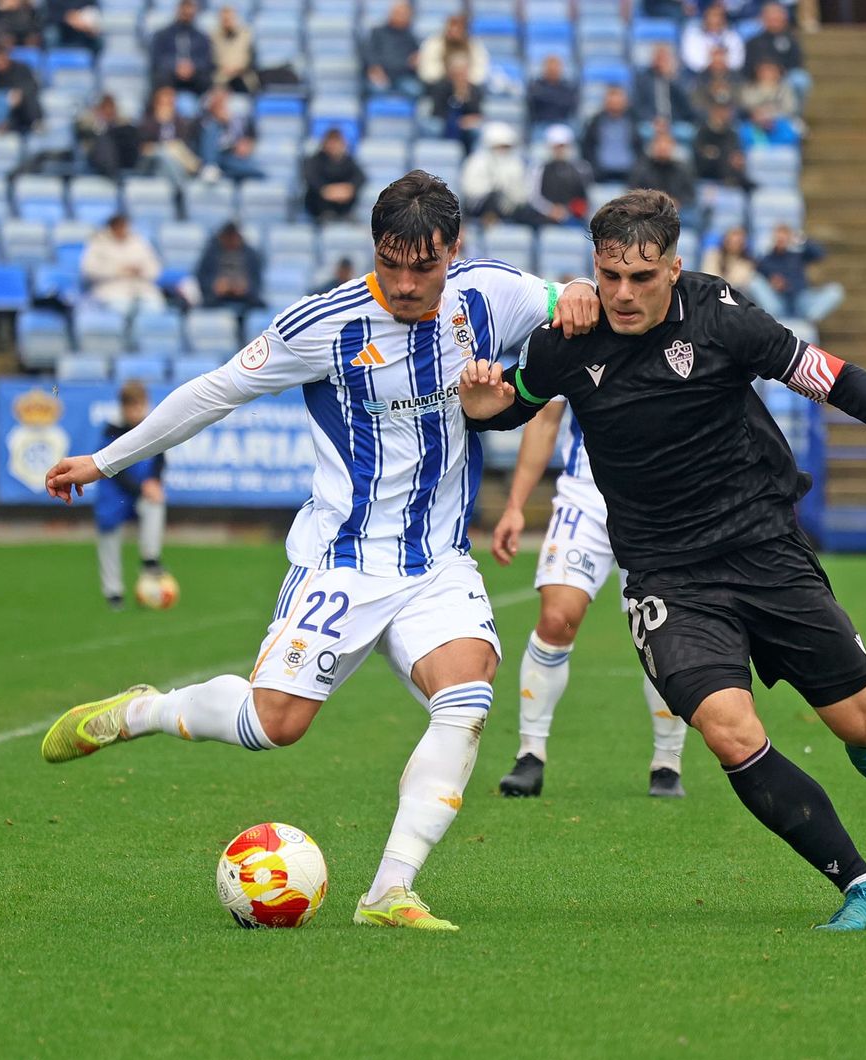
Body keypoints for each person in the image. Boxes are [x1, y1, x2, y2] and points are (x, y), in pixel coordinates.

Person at [37, 171, 601, 933]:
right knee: (274, 724)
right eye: (390, 264)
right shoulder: (324, 323)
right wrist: (106, 461)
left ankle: (390, 890)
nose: (406, 284)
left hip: (437, 560)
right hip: (343, 558)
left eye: (424, 267)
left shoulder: (487, 294)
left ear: (454, 250)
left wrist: (577, 289)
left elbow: (567, 296)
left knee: (467, 697)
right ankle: (143, 710)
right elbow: (214, 390)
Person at [461, 189, 866, 932]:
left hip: (762, 546)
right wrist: (482, 405)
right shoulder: (567, 338)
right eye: (609, 276)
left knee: (861, 725)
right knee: (730, 730)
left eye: (642, 277)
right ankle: (863, 886)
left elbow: (822, 372)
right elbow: (514, 404)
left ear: (674, 268)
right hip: (665, 573)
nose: (622, 294)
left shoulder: (722, 316)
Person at [490, 399, 689, 799]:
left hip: (663, 505)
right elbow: (545, 419)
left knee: (664, 631)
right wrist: (514, 506)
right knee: (557, 619)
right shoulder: (570, 352)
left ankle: (667, 762)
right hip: (585, 499)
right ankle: (530, 754)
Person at [94, 380, 166, 610]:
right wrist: (142, 488)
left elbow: (160, 457)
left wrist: (154, 482)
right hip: (115, 491)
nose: (137, 411)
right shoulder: (111, 431)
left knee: (155, 503)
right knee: (109, 536)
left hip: (141, 487)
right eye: (132, 406)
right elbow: (113, 470)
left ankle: (150, 559)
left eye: (140, 405)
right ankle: (113, 593)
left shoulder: (152, 425)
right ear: (123, 408)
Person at [758, 224, 843, 322]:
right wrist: (772, 284)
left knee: (835, 290)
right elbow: (761, 283)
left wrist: (802, 240)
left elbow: (820, 254)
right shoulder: (766, 260)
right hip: (778, 301)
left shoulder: (797, 256)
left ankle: (809, 318)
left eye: (784, 237)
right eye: (779, 237)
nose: (781, 240)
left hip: (801, 299)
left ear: (789, 238)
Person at [81, 213, 163, 314]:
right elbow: (89, 269)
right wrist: (119, 270)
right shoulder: (98, 243)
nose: (123, 230)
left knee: (154, 306)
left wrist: (141, 270)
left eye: (125, 227)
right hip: (110, 288)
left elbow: (155, 268)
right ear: (112, 228)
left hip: (141, 287)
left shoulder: (139, 242)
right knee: (121, 307)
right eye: (119, 227)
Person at [460, 121, 539, 225]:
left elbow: (522, 193)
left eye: (506, 147)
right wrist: (493, 188)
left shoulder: (516, 164)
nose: (503, 150)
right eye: (500, 146)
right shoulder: (476, 161)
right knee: (493, 197)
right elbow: (469, 188)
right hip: (480, 204)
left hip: (509, 206)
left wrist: (508, 194)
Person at [628, 129, 699, 226]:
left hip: (678, 212)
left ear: (673, 146)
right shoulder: (641, 168)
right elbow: (632, 192)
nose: (662, 147)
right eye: (659, 143)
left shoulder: (683, 169)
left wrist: (678, 202)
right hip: (647, 212)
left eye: (666, 143)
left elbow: (690, 195)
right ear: (652, 146)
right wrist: (652, 202)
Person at [744, 2, 810, 104]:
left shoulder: (792, 40)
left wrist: (777, 73)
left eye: (777, 18)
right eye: (771, 18)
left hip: (783, 79)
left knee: (800, 79)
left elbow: (797, 64)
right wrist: (763, 73)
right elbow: (748, 67)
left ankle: (793, 112)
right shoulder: (753, 42)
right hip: (758, 81)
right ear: (763, 20)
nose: (774, 21)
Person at [701, 226, 781, 310]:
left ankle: (773, 311)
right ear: (725, 240)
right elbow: (709, 277)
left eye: (739, 242)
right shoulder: (713, 255)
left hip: (736, 296)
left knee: (755, 282)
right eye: (732, 241)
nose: (735, 244)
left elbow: (741, 281)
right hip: (715, 296)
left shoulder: (747, 262)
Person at [526, 124, 591, 226]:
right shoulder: (538, 169)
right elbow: (534, 197)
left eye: (563, 146)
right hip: (544, 218)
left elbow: (585, 196)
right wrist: (550, 210)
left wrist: (569, 211)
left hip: (574, 218)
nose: (560, 150)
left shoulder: (582, 168)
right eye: (556, 147)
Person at [301, 126, 365, 221]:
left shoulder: (348, 161)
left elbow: (360, 177)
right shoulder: (315, 160)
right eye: (331, 142)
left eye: (337, 143)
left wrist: (348, 189)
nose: (334, 146)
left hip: (343, 203)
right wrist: (325, 190)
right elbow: (310, 177)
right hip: (319, 206)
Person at [150, 0, 214, 95]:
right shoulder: (162, 35)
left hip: (194, 76)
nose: (187, 14)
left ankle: (203, 104)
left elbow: (206, 60)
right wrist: (176, 66)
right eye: (184, 11)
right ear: (178, 10)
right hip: (171, 75)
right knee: (161, 78)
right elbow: (158, 59)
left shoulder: (202, 37)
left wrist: (192, 66)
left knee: (207, 80)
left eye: (190, 12)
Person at [195, 221, 263, 312]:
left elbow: (257, 281)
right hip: (216, 298)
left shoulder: (250, 254)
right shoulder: (211, 253)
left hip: (245, 298)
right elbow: (200, 277)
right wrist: (214, 285)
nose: (231, 241)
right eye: (228, 237)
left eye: (233, 237)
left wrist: (246, 287)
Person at [139, 85, 200, 182]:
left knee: (175, 148)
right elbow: (144, 145)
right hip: (151, 155)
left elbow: (184, 140)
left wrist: (169, 122)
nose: (167, 107)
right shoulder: (148, 120)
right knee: (172, 148)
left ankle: (192, 172)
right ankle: (196, 170)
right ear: (156, 104)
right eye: (163, 104)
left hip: (173, 156)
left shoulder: (178, 121)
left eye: (170, 104)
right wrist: (160, 122)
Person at [581, 85, 642, 183]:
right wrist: (594, 167)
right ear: (605, 102)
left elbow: (639, 147)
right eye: (612, 101)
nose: (615, 104)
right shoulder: (595, 122)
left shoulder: (633, 121)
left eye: (618, 101)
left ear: (625, 102)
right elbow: (587, 147)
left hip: (629, 172)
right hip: (600, 172)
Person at [197, 90, 262, 181]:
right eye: (220, 107)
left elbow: (250, 137)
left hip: (230, 157)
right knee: (212, 128)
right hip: (211, 157)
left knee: (254, 171)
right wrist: (220, 122)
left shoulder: (239, 121)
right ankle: (211, 167)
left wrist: (246, 144)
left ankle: (221, 173)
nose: (224, 109)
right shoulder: (207, 122)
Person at [425, 55, 484, 152]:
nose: (461, 76)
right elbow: (437, 111)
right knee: (435, 127)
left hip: (465, 126)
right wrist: (456, 120)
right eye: (458, 73)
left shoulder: (474, 89)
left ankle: (470, 156)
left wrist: (464, 96)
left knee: (475, 131)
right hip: (445, 122)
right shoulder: (441, 87)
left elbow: (477, 113)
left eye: (463, 72)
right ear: (451, 73)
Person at [632, 44, 696, 130]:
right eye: (658, 58)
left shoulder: (680, 78)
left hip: (676, 122)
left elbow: (686, 105)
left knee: (687, 131)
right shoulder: (643, 79)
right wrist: (653, 119)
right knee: (644, 130)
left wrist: (671, 78)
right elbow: (638, 106)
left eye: (664, 58)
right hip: (651, 122)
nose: (661, 62)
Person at [364, 1, 420, 96]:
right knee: (378, 89)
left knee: (415, 90)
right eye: (399, 13)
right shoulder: (378, 32)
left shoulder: (410, 36)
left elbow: (415, 57)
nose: (402, 16)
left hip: (404, 76)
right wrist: (375, 69)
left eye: (405, 14)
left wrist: (416, 60)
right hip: (381, 75)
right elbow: (369, 53)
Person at [417, 13, 487, 88]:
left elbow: (481, 70)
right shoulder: (434, 43)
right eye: (451, 28)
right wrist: (449, 74)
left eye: (458, 29)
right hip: (440, 84)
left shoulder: (474, 45)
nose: (454, 32)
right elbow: (427, 70)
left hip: (468, 84)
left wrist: (463, 76)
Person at [692, 100, 752, 188]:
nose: (723, 114)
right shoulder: (703, 132)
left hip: (731, 182)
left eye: (726, 110)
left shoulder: (732, 134)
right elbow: (700, 158)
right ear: (712, 111)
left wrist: (738, 161)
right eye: (720, 110)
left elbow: (737, 156)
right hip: (708, 181)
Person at [80, 93, 140, 178]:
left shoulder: (122, 122)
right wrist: (99, 124)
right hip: (95, 158)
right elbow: (84, 132)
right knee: (103, 140)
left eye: (111, 108)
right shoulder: (88, 122)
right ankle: (112, 174)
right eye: (104, 108)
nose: (108, 111)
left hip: (120, 156)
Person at [681, 2, 746, 73]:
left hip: (728, 74)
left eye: (719, 16)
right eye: (712, 15)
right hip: (698, 74)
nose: (716, 19)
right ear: (705, 17)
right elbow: (693, 62)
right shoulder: (693, 34)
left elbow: (737, 62)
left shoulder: (732, 36)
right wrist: (714, 60)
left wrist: (720, 61)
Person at [209, 6, 255, 94]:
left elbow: (252, 59)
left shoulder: (246, 35)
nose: (227, 22)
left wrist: (238, 69)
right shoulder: (213, 37)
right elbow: (210, 59)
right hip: (221, 77)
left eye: (229, 19)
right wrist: (223, 68)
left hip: (243, 77)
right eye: (224, 19)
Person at [526, 55, 578, 129]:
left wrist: (546, 96)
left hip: (562, 122)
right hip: (541, 122)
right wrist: (557, 97)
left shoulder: (567, 86)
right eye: (550, 69)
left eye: (555, 68)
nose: (553, 71)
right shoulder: (536, 85)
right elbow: (533, 103)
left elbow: (569, 104)